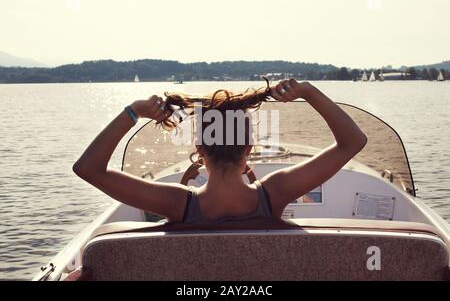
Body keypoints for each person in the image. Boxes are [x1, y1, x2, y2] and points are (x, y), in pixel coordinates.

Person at [73, 78, 367, 223]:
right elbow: (352, 142)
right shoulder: (274, 192)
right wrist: (308, 91)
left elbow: (88, 169)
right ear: (249, 148)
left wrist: (134, 111)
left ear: (199, 149)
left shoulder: (176, 202)